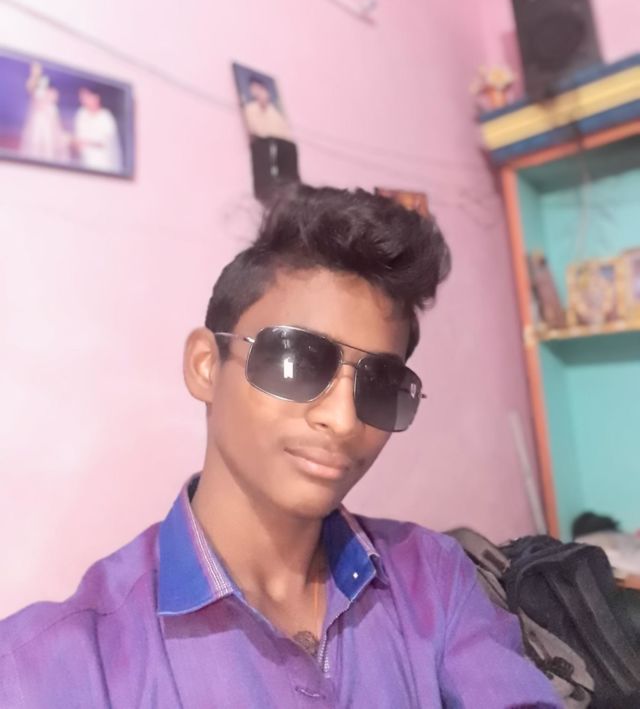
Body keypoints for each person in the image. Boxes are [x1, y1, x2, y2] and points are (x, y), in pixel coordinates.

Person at [0, 185, 561, 708]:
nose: (342, 420)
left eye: (381, 385)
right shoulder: (51, 667)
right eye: (297, 361)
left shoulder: (432, 579)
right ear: (205, 365)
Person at [21, 62, 69, 163]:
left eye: (37, 68)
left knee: (49, 149)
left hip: (49, 128)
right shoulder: (34, 85)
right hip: (38, 126)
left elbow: (56, 126)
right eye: (34, 68)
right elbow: (31, 92)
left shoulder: (47, 83)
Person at [72, 87, 122, 173]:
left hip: (105, 165)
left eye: (87, 97)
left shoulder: (105, 116)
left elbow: (104, 141)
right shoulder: (81, 114)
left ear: (96, 98)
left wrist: (86, 142)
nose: (84, 100)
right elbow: (78, 139)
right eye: (82, 97)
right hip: (85, 164)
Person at [243, 74, 292, 140]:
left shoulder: (275, 113)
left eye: (260, 89)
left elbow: (286, 135)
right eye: (254, 89)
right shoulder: (249, 109)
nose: (258, 93)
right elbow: (255, 132)